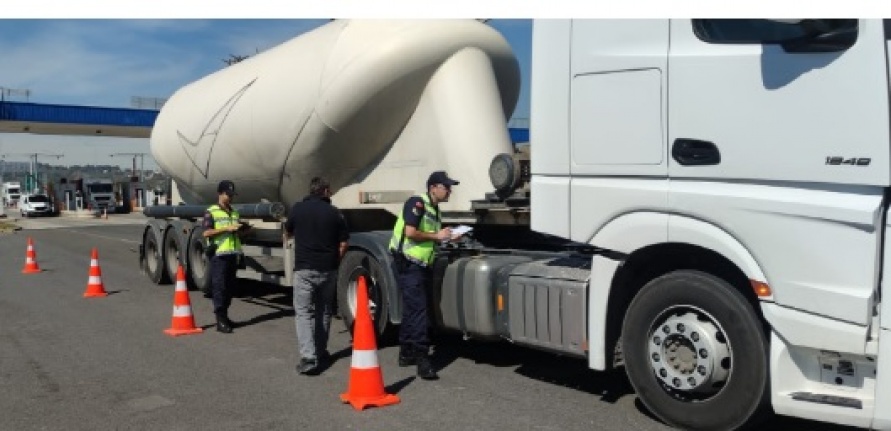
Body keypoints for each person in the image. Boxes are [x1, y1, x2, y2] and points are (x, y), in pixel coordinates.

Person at [389, 170, 462, 380]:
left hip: (420, 265)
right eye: (446, 187)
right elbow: (410, 232)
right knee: (419, 311)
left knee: (413, 310)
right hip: (409, 263)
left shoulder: (434, 209)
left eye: (450, 187)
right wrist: (437, 235)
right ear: (433, 188)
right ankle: (423, 360)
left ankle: (406, 352)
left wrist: (447, 237)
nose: (449, 191)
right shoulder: (417, 203)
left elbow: (431, 237)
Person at [284, 177, 349, 376]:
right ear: (326, 191)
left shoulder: (297, 209)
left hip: (304, 269)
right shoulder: (335, 213)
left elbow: (288, 232)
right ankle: (321, 352)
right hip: (328, 269)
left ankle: (309, 358)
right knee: (324, 311)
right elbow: (344, 243)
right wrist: (335, 259)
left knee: (304, 312)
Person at [202, 180, 250, 334]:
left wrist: (244, 230)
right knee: (219, 287)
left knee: (230, 288)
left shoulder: (234, 212)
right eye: (228, 195)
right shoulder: (211, 211)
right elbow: (206, 232)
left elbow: (235, 232)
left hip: (232, 254)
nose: (230, 198)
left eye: (232, 195)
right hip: (219, 255)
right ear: (220, 194)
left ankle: (225, 316)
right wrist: (226, 228)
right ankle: (220, 319)